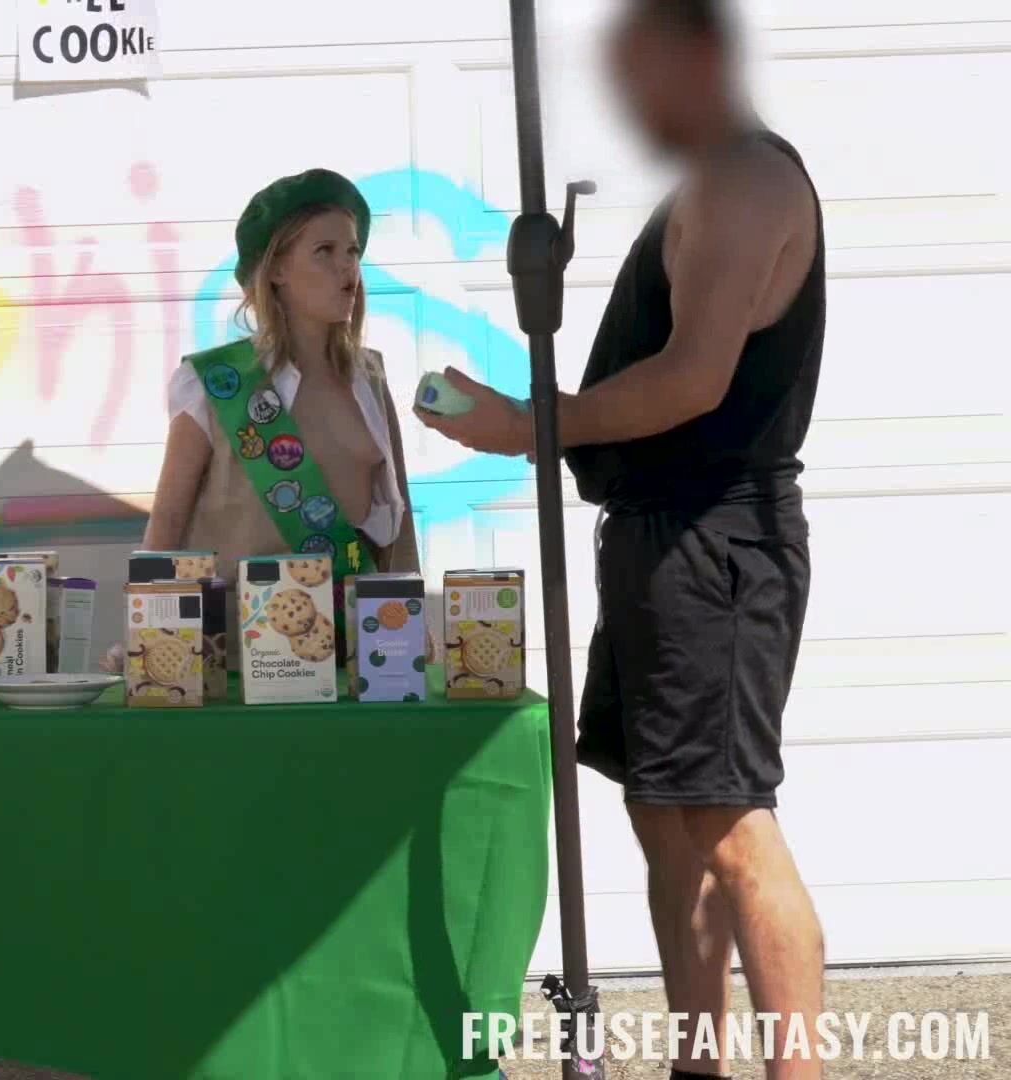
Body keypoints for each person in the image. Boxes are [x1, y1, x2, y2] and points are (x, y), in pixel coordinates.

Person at [415, 2, 826, 1076]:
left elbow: (695, 379)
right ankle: (697, 1062)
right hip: (658, 539)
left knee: (730, 823)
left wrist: (530, 424)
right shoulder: (709, 184)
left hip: (716, 541)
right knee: (665, 816)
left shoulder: (746, 182)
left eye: (641, 71)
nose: (628, 99)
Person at [108, 167, 422, 671]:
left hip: (356, 658)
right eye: (324, 251)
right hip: (240, 661)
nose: (347, 268)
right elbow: (166, 524)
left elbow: (398, 527)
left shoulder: (370, 379)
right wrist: (141, 636)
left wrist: (409, 630)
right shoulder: (217, 382)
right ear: (275, 268)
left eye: (352, 251)